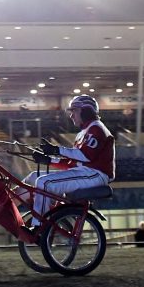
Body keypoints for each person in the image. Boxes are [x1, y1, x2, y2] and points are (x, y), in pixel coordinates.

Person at [22, 94, 115, 239]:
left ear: (86, 112)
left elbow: (85, 156)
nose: (71, 115)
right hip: (85, 173)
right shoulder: (83, 133)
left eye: (74, 111)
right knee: (34, 177)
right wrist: (49, 160)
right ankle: (12, 204)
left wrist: (56, 150)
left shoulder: (97, 129)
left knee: (44, 182)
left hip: (95, 175)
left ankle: (39, 226)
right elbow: (73, 162)